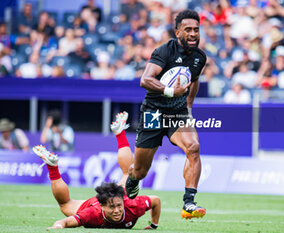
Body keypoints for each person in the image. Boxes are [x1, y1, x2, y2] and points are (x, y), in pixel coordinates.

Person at [125, 10, 207, 220]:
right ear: (177, 31)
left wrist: (188, 107)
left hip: (178, 112)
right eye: (188, 29)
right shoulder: (164, 52)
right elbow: (145, 80)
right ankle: (132, 181)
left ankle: (189, 203)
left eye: (196, 30)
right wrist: (171, 91)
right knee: (140, 170)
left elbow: (194, 80)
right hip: (153, 113)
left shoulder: (199, 57)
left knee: (193, 147)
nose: (193, 34)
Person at [33, 112, 161, 229]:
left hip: (117, 196)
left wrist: (153, 225)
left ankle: (120, 132)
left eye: (118, 205)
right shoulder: (91, 214)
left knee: (128, 173)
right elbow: (64, 222)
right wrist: (57, 227)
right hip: (90, 205)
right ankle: (52, 166)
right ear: (102, 207)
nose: (117, 210)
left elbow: (156, 201)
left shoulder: (132, 205)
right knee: (65, 204)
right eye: (112, 207)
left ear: (123, 201)